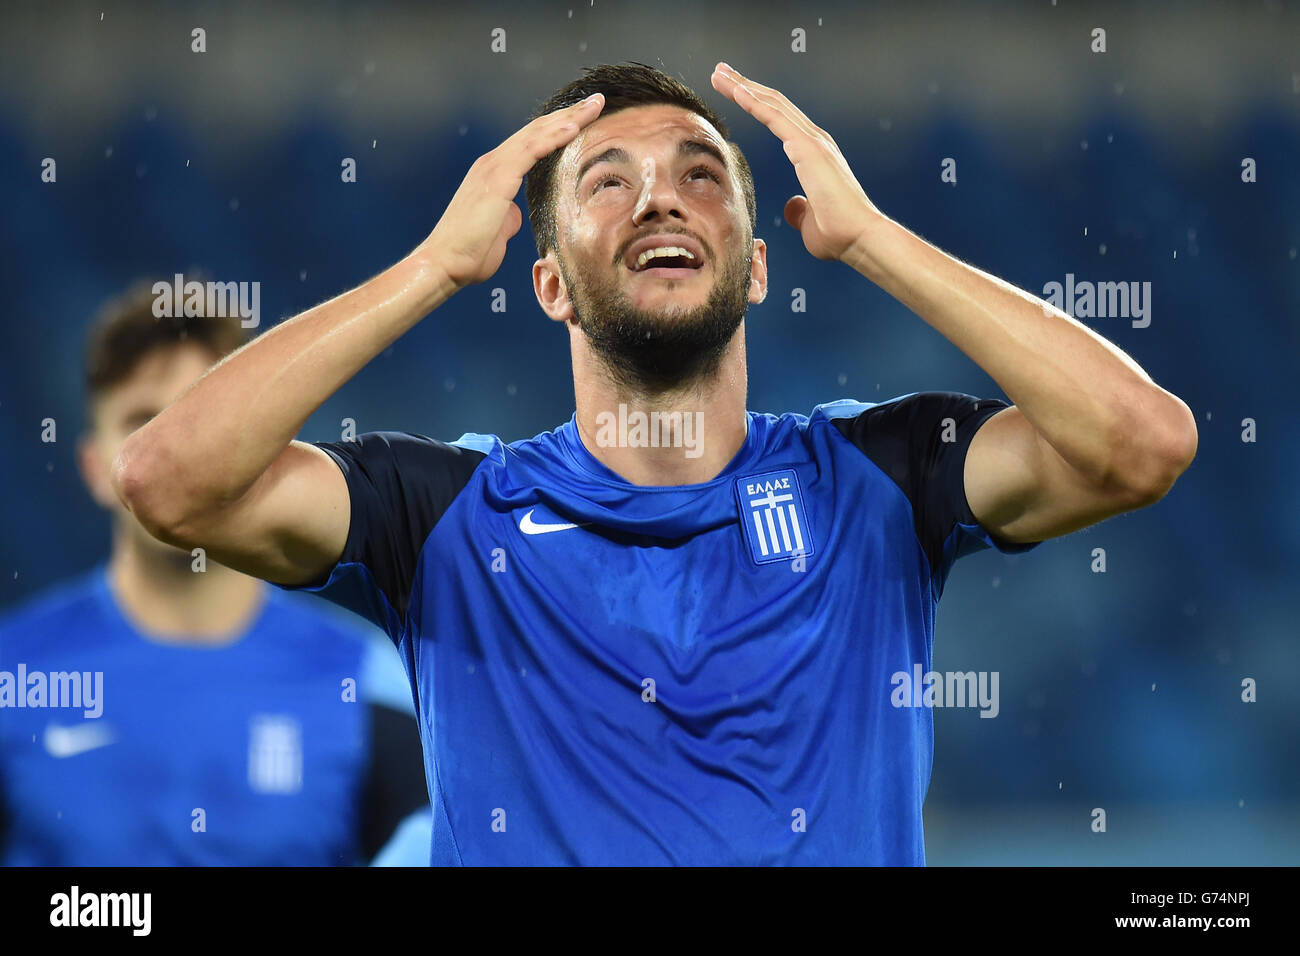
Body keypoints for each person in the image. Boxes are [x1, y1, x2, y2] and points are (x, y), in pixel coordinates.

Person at [108, 62, 1198, 864]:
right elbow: (168, 478)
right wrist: (433, 269)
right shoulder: (441, 513)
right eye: (606, 182)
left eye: (699, 174)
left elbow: (1139, 442)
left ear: (758, 267)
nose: (659, 199)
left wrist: (872, 239)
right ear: (548, 285)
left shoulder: (882, 475)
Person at [0, 282, 428, 865]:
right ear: (95, 467)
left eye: (196, 421)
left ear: (254, 450)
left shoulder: (368, 681)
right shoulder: (14, 673)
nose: (171, 453)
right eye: (140, 424)